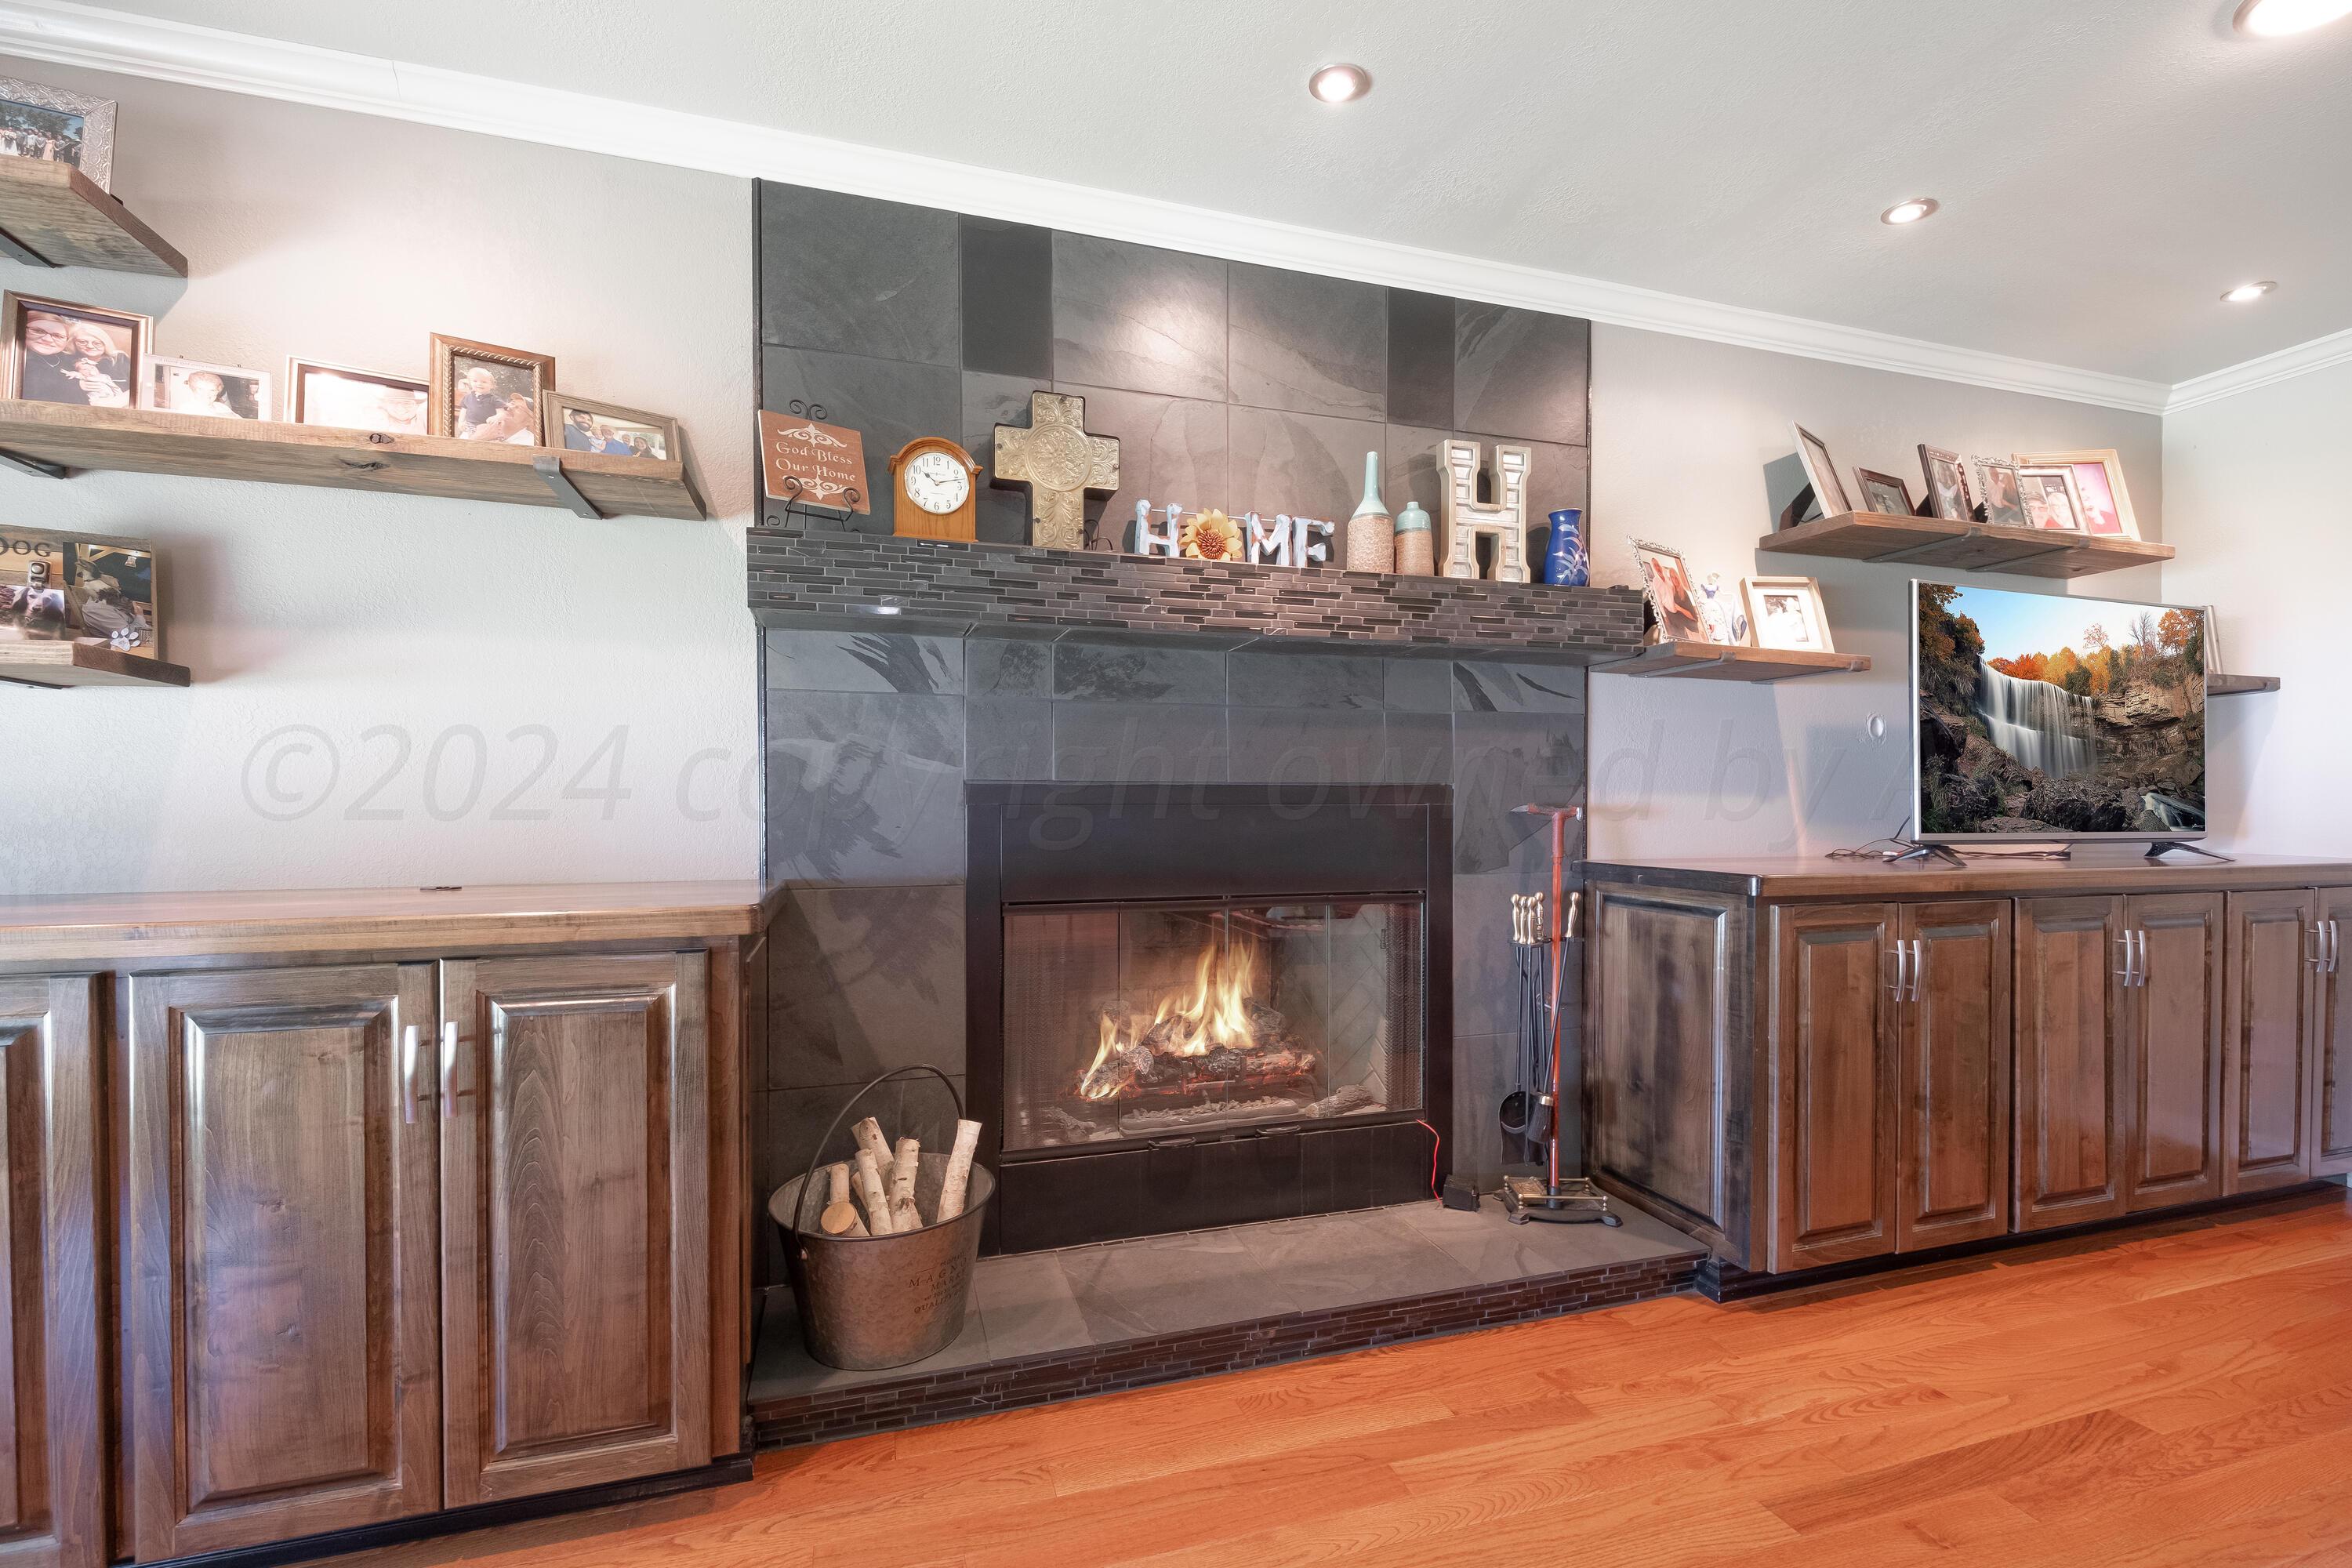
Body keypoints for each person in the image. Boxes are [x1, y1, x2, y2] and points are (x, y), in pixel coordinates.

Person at [17, 312, 129, 406]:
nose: (47, 339)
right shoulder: (15, 360)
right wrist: (76, 385)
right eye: (38, 331)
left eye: (58, 336)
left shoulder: (120, 358)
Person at [454, 366, 505, 435]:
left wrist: (496, 417)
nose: (479, 384)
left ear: (492, 385)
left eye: (484, 382)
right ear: (470, 383)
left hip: (488, 427)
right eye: (475, 381)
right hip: (469, 426)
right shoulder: (467, 398)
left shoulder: (495, 399)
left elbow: (502, 413)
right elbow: (463, 411)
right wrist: (461, 422)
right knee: (466, 441)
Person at [172, 369, 242, 419]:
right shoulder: (188, 408)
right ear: (193, 389)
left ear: (218, 392)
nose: (207, 394)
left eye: (212, 390)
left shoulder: (221, 406)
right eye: (201, 390)